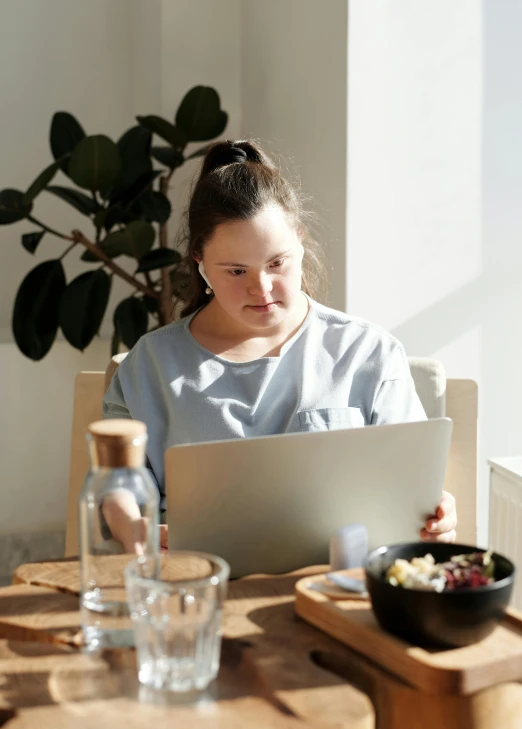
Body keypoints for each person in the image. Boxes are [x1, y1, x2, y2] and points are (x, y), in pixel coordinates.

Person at [102, 139, 457, 553]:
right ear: (199, 259)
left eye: (277, 263)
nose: (261, 288)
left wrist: (436, 515)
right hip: (197, 583)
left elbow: (410, 482)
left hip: (337, 587)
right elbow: (117, 485)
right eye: (236, 270)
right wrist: (134, 529)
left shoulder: (369, 353)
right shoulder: (151, 364)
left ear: (300, 241)